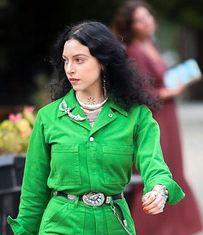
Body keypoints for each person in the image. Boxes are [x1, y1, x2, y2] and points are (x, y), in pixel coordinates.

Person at [7, 20, 185, 235]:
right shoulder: (48, 118)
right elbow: (33, 193)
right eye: (66, 61)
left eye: (79, 60)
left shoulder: (136, 116)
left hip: (114, 224)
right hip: (60, 226)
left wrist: (159, 189)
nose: (70, 69)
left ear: (102, 61)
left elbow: (154, 164)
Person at [111, 1, 202, 235]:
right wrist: (169, 92)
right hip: (154, 116)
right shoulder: (133, 51)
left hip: (167, 114)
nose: (147, 22)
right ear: (131, 26)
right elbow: (136, 91)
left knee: (173, 166)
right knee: (155, 167)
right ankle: (148, 228)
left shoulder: (152, 45)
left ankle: (173, 227)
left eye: (148, 16)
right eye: (140, 20)